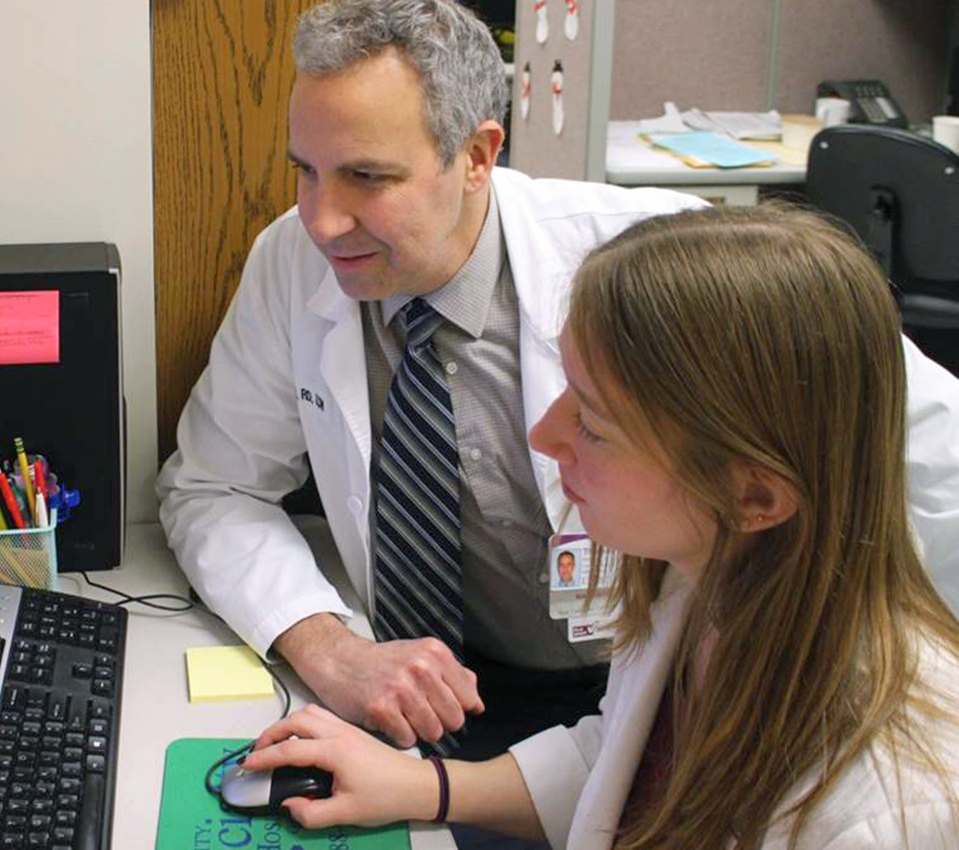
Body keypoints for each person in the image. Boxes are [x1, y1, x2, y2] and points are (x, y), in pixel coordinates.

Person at [157, 0, 959, 759]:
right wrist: (328, 647)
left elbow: (931, 453)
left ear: (477, 157)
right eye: (307, 171)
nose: (324, 219)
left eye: (368, 178)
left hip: (659, 691)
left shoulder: (654, 262)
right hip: (416, 694)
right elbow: (212, 487)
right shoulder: (296, 259)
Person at [239, 204, 959, 849]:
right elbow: (622, 759)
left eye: (593, 421)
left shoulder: (891, 809)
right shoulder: (705, 577)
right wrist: (428, 788)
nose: (546, 437)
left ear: (756, 496)